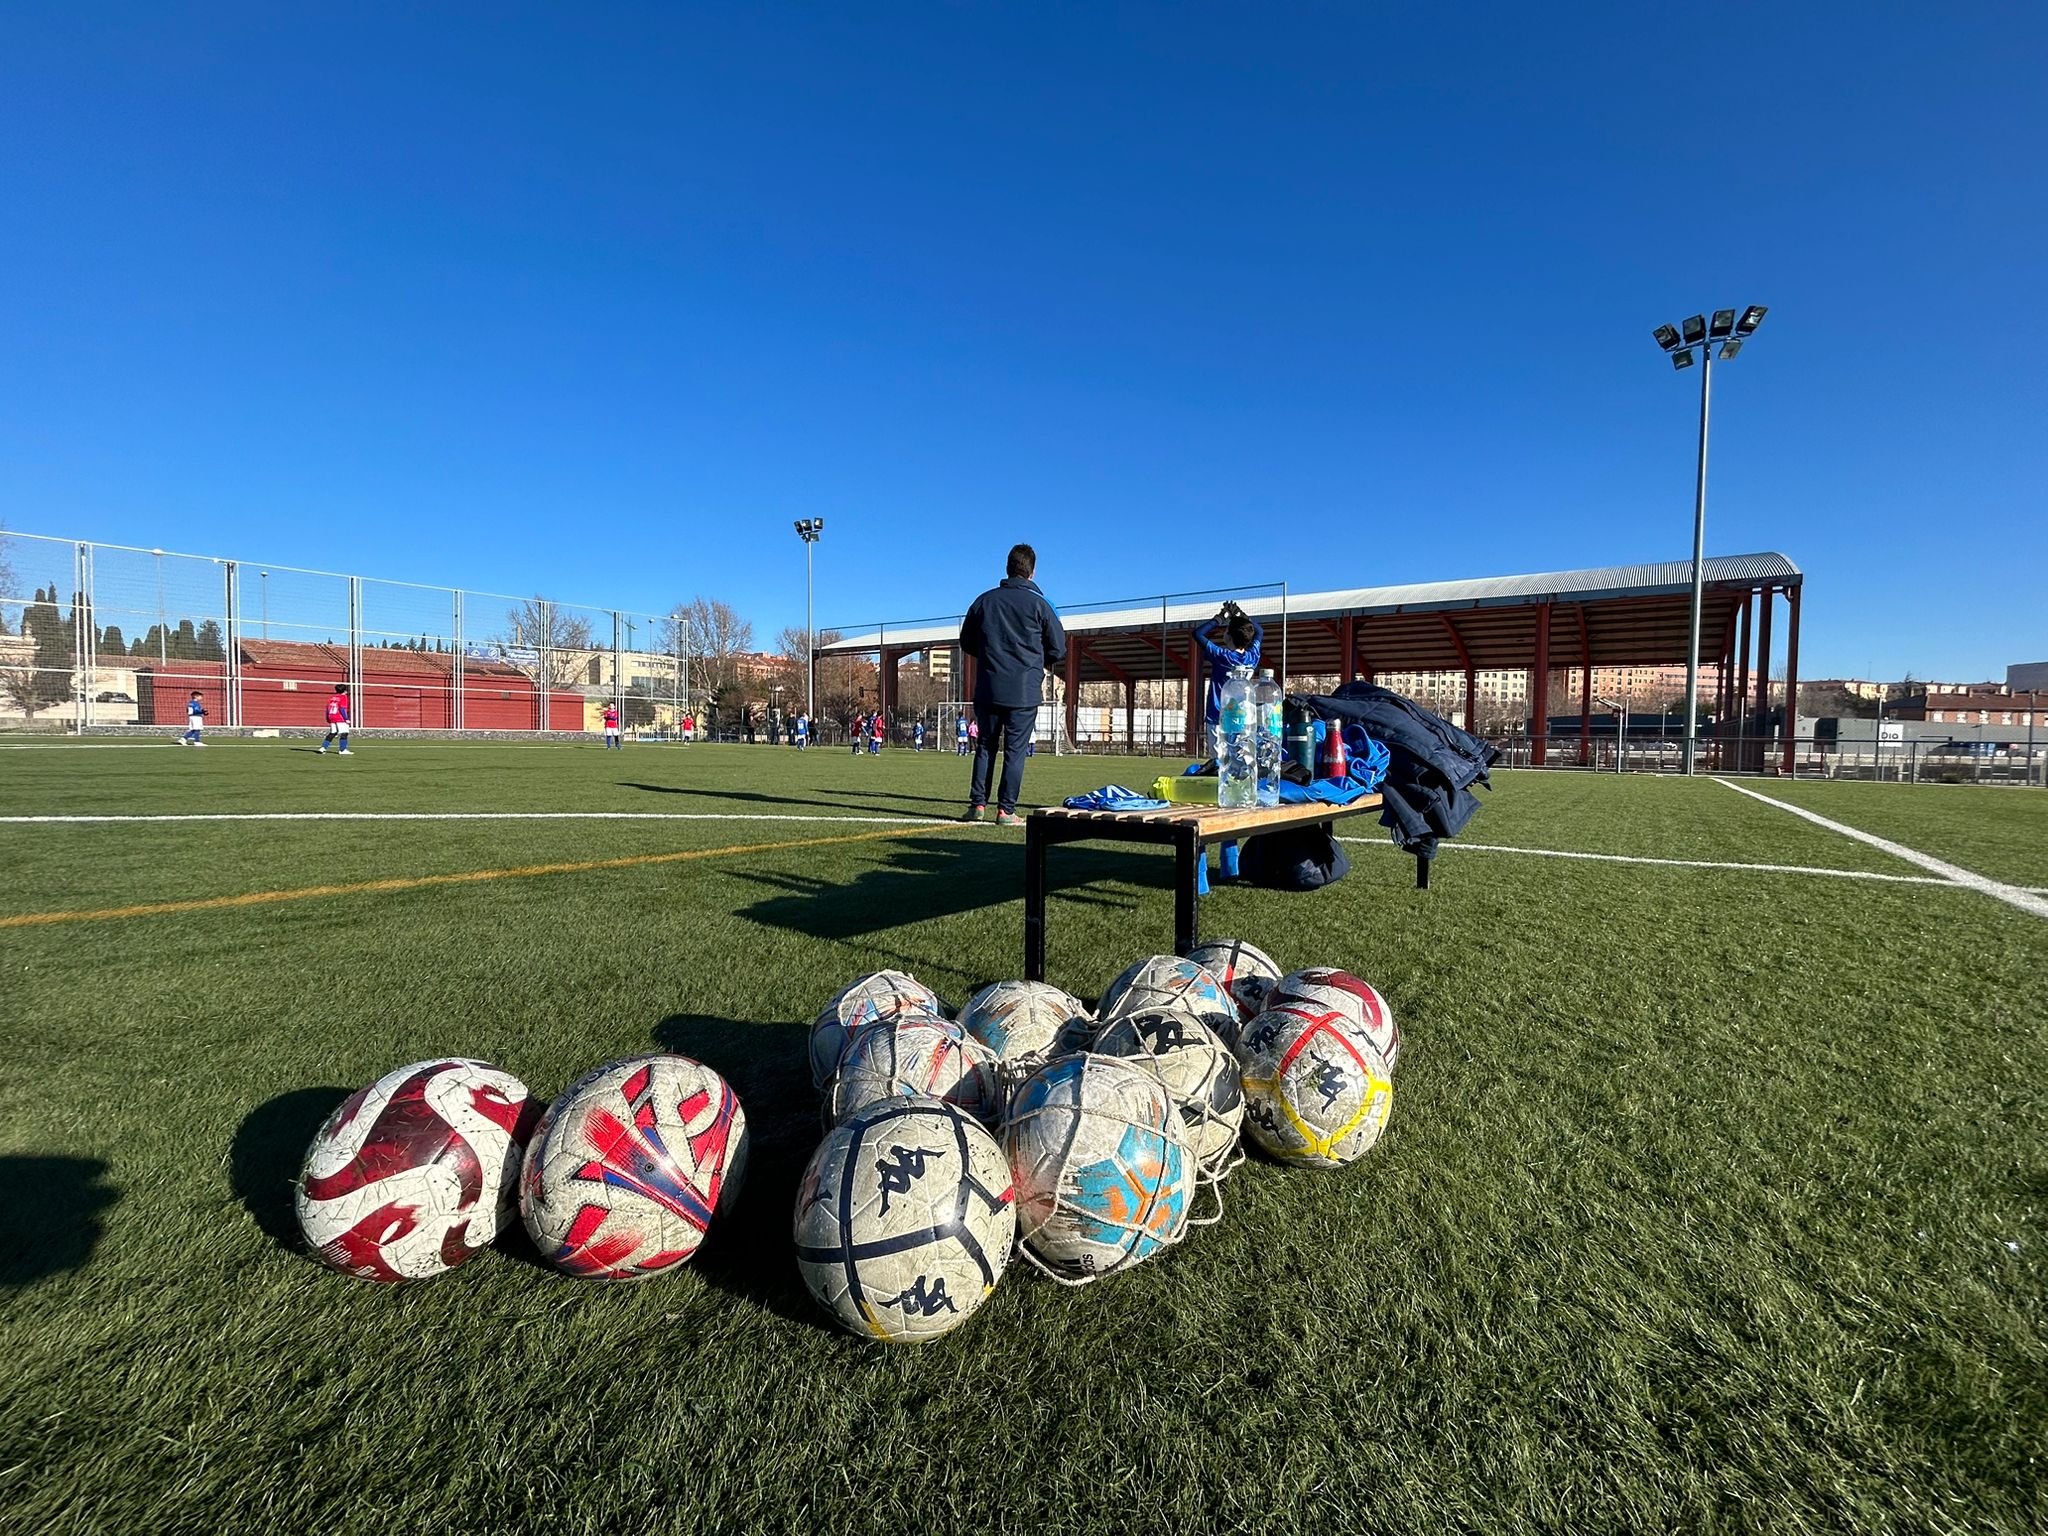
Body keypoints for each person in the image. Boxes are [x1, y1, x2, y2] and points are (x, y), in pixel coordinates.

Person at [959, 543, 1065, 825]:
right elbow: (1058, 648)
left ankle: (977, 805)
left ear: (1007, 568)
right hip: (1024, 690)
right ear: (1032, 571)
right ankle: (1006, 810)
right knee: (1015, 751)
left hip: (990, 686)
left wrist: (990, 653)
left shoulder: (984, 601)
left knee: (985, 746)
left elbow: (966, 641)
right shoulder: (1041, 605)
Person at [1194, 601, 1264, 879]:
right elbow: (1258, 632)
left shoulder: (1223, 656)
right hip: (1244, 724)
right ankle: (1229, 863)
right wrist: (1240, 616)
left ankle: (1214, 862)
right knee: (1238, 782)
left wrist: (1218, 618)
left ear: (1229, 636)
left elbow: (1198, 635)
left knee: (1220, 780)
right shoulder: (1252, 656)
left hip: (1220, 721)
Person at [319, 683, 352, 755]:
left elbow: (328, 708)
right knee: (344, 733)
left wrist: (327, 717)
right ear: (345, 691)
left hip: (332, 716)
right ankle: (342, 750)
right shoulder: (344, 697)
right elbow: (342, 708)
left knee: (333, 733)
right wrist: (346, 718)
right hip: (339, 717)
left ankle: (323, 747)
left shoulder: (332, 698)